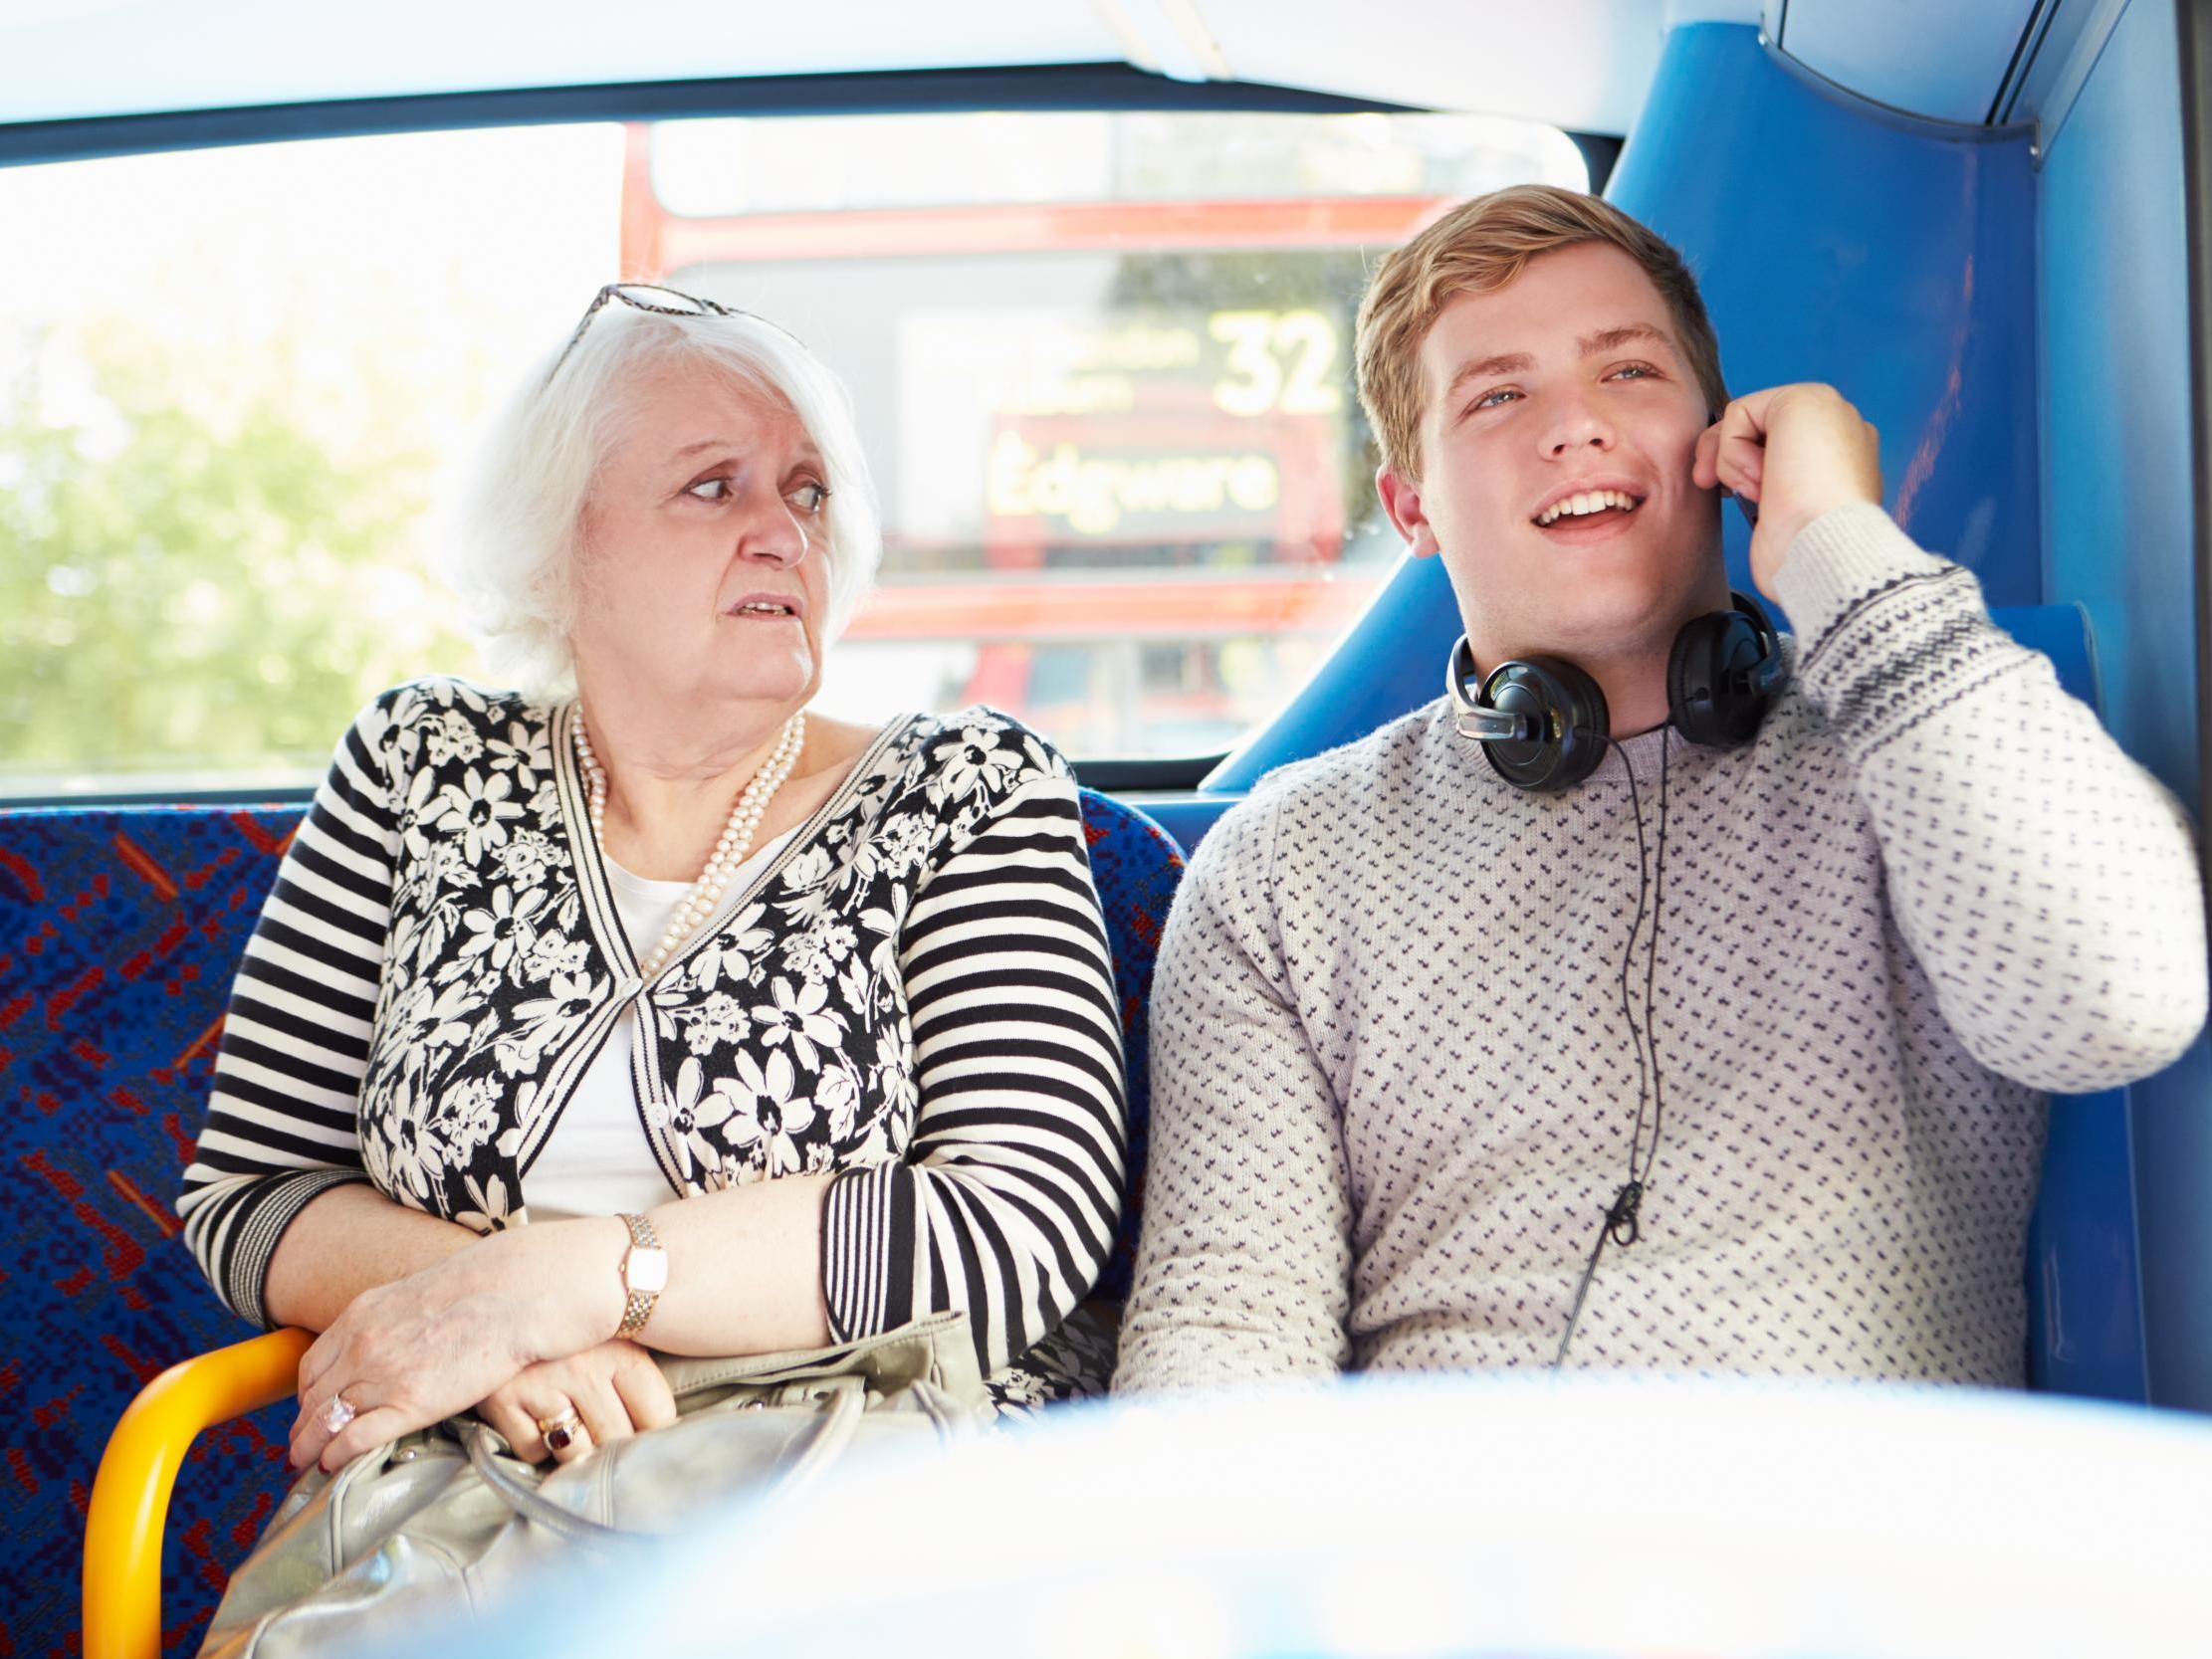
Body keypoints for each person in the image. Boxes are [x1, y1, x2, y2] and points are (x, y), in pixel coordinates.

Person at [1112, 186, 2207, 1388]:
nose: (1573, 426)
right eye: (1497, 394)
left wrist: (1834, 538)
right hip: (1442, 1553)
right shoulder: (1285, 862)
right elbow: (1219, 1345)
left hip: (1858, 1548)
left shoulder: (1914, 742)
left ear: (1717, 437)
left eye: (1626, 372)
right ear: (1410, 504)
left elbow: (2118, 995)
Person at [179, 284, 1127, 1474]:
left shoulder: (966, 787)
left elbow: (1019, 1221)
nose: (785, 529)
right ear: (560, 538)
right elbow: (252, 1190)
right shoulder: (417, 765)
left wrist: (578, 1281)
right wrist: (506, 1335)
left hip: (868, 1469)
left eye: (808, 489)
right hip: (478, 1470)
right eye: (712, 484)